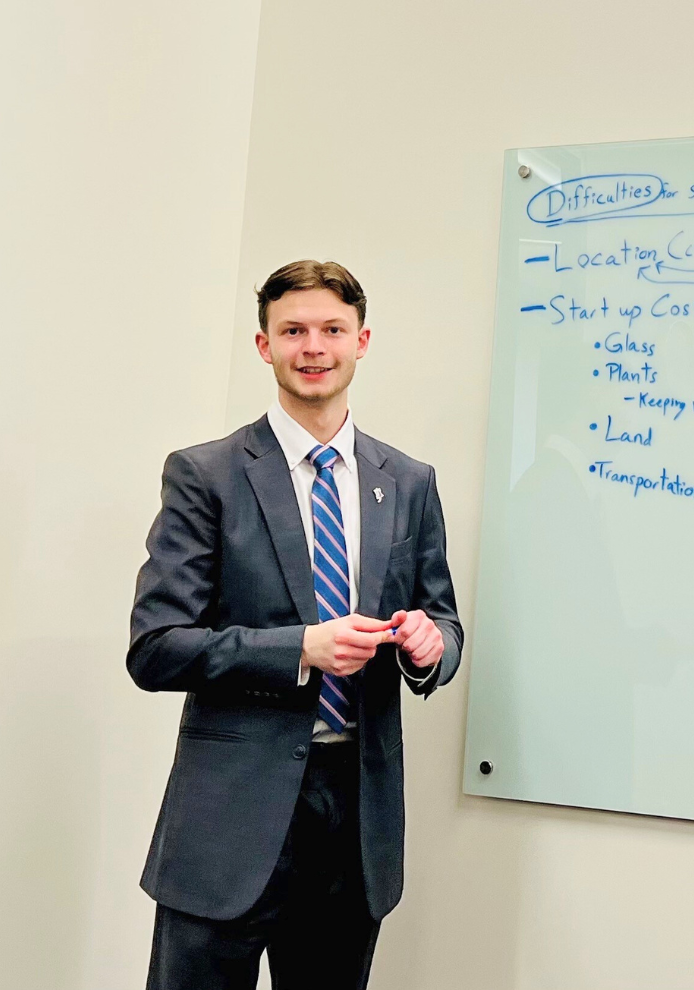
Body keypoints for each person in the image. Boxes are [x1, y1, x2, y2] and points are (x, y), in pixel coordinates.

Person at [128, 260, 462, 989]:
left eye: (332, 330)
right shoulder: (205, 474)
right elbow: (155, 649)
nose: (314, 347)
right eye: (294, 331)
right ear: (264, 345)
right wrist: (300, 650)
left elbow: (443, 620)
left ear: (362, 341)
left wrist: (429, 649)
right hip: (229, 820)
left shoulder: (408, 482)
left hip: (354, 818)